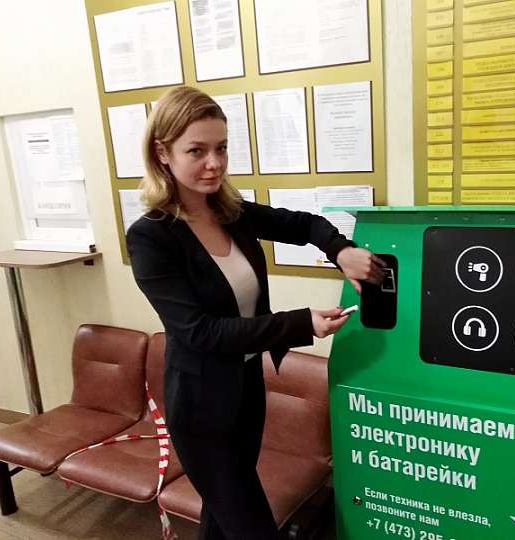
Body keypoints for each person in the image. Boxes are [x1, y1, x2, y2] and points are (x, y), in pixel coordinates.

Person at [126, 85, 385, 540]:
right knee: (250, 524)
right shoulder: (151, 237)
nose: (215, 163)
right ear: (163, 153)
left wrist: (339, 249)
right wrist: (300, 323)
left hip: (246, 390)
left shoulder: (230, 212)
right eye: (197, 151)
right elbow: (200, 332)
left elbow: (304, 224)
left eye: (222, 148)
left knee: (222, 518)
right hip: (201, 408)